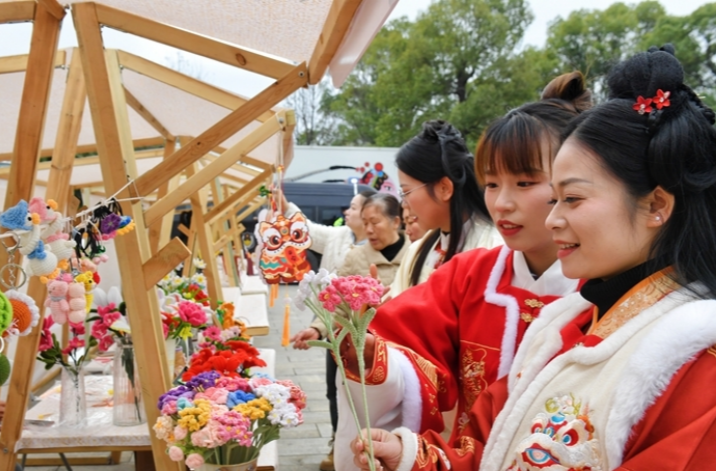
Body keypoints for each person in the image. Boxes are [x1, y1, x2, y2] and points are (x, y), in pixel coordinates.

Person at [352, 46, 716, 471]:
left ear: (656, 204)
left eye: (573, 198)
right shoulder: (565, 323)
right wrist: (416, 456)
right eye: (555, 197)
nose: (554, 218)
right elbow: (495, 439)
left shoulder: (696, 361)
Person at [334, 72, 592, 471]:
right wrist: (370, 352)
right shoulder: (471, 274)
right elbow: (404, 339)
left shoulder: (606, 291)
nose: (502, 203)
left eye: (525, 182)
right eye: (491, 184)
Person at [286, 188, 376, 471]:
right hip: (335, 332)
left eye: (352, 208)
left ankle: (369, 446)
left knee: (368, 394)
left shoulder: (387, 250)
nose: (345, 213)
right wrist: (318, 328)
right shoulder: (339, 238)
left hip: (371, 340)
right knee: (335, 390)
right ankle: (339, 443)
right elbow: (307, 229)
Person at [390, 121, 502, 297]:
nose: (404, 203)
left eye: (406, 191)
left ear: (444, 188)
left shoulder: (494, 250)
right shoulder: (417, 251)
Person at [336, 193, 409, 285]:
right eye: (365, 223)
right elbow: (339, 296)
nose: (368, 230)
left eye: (375, 222)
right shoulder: (354, 258)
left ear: (395, 222)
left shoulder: (417, 253)